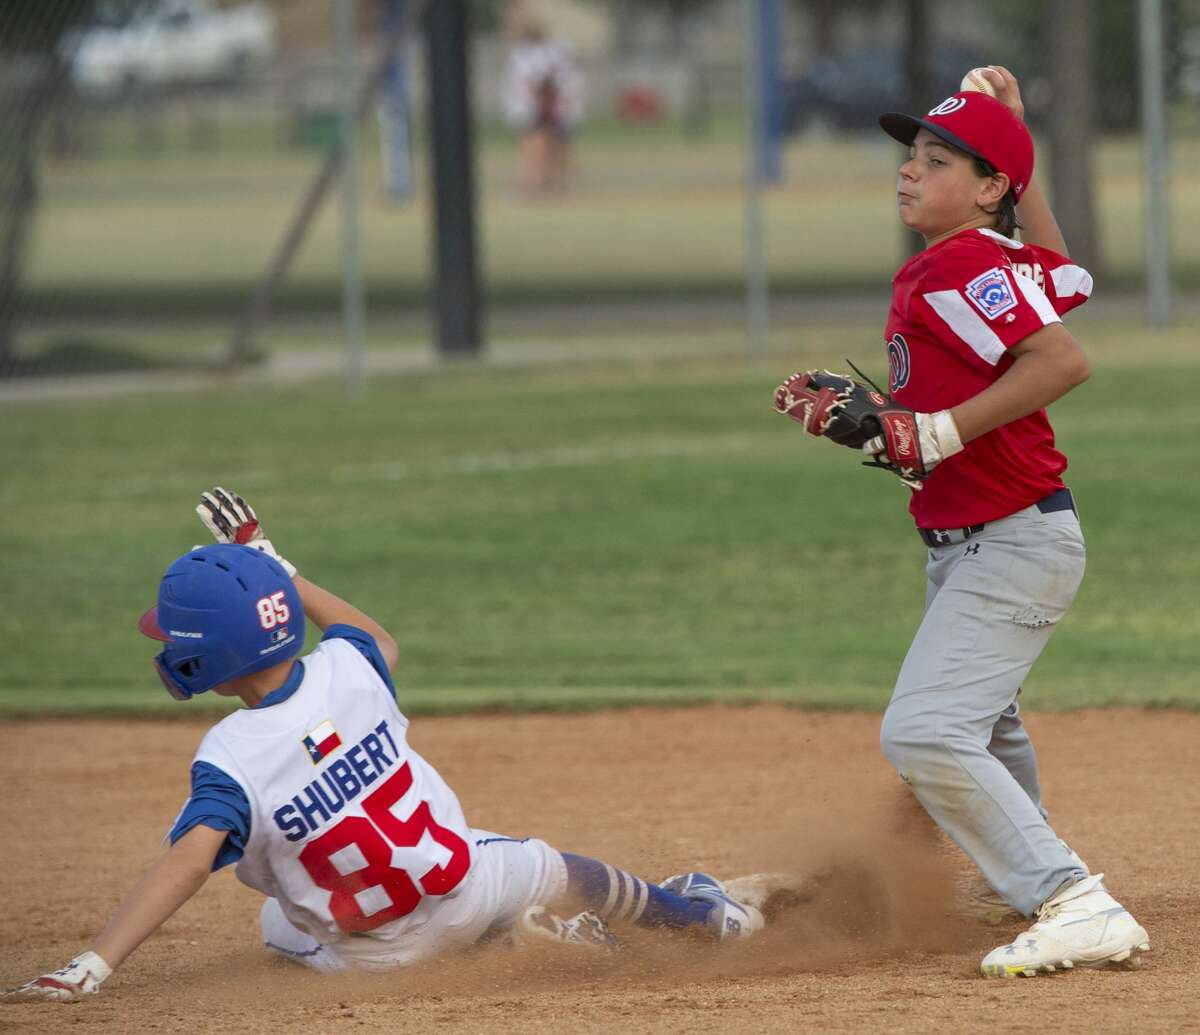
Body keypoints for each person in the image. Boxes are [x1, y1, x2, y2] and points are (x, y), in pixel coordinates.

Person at [2, 488, 770, 1002]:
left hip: (382, 957)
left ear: (201, 659)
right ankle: (703, 920)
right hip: (472, 885)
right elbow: (373, 635)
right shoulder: (346, 667)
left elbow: (189, 861)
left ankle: (512, 951)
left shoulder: (229, 755)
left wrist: (92, 963)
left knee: (276, 922)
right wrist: (275, 562)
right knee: (560, 867)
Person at [776, 68, 1149, 978]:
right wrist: (1014, 151)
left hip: (1012, 540)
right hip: (988, 539)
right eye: (912, 155)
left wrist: (929, 429)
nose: (910, 171)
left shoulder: (954, 265)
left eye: (938, 159)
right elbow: (1066, 275)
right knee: (978, 727)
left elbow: (1063, 360)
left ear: (988, 191)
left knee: (925, 730)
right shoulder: (986, 259)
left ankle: (1070, 898)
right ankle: (1018, 883)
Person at [500, 16, 583, 196]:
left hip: (546, 106)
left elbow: (544, 82)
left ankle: (549, 184)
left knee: (551, 146)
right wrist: (541, 102)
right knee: (536, 146)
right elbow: (533, 82)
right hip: (536, 107)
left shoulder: (542, 54)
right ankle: (536, 185)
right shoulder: (527, 55)